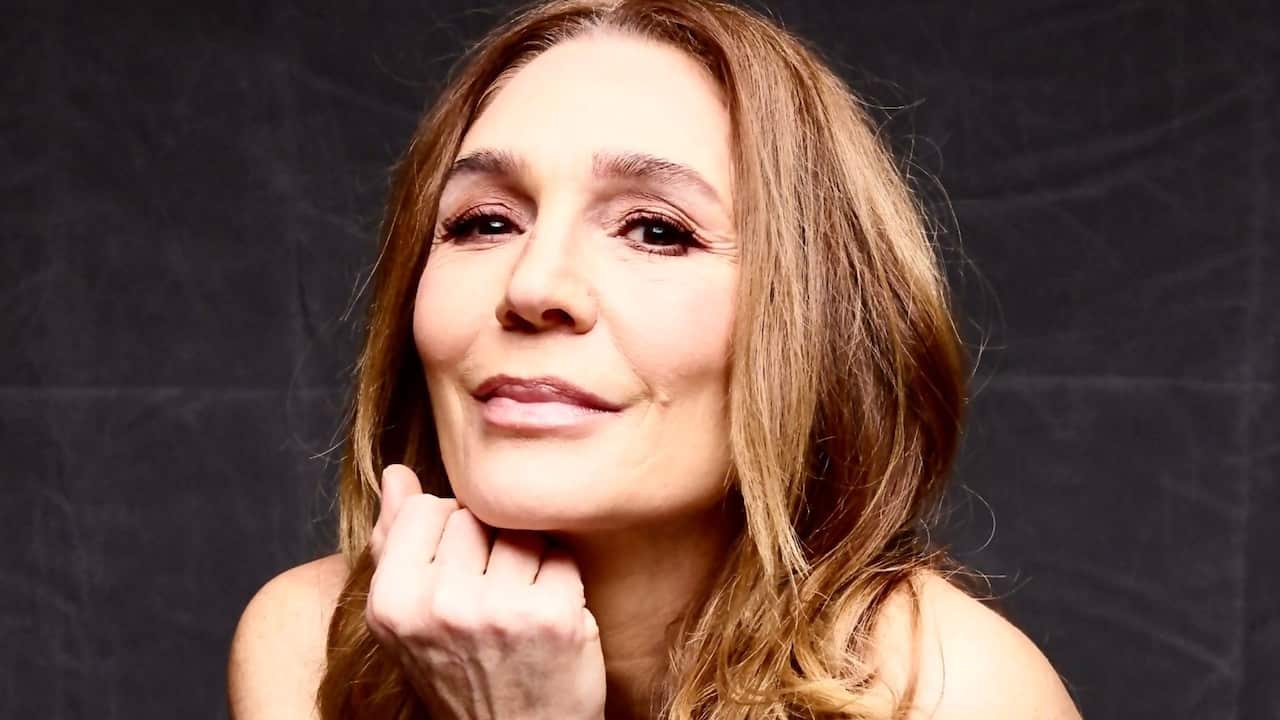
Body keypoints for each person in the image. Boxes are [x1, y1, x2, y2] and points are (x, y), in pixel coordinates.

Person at [227, 0, 1084, 718]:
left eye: (657, 230)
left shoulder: (953, 694)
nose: (533, 285)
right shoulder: (310, 646)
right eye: (484, 221)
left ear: (814, 321)